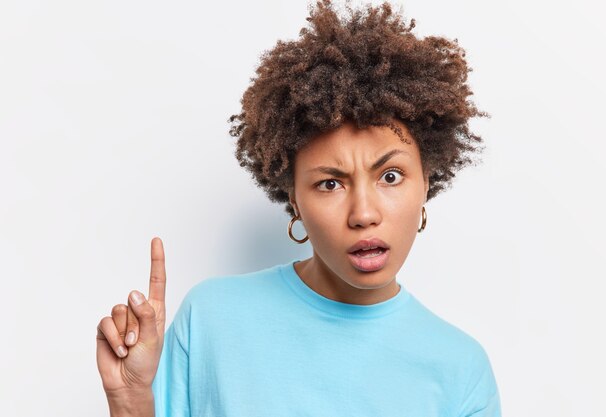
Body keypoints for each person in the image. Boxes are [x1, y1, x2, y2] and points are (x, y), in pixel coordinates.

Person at [96, 1, 502, 416]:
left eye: (391, 176)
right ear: (294, 200)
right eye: (330, 183)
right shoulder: (212, 320)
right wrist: (128, 400)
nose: (363, 213)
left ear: (426, 183)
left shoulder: (460, 370)